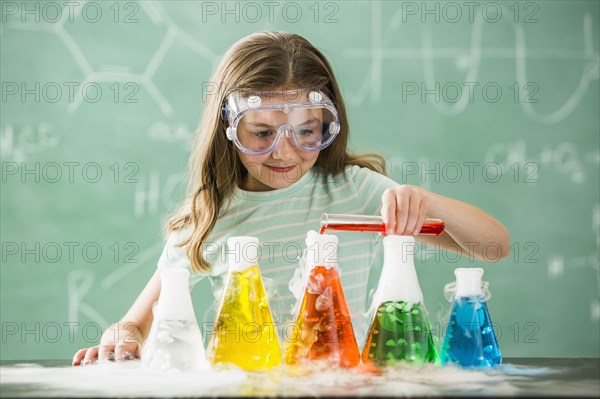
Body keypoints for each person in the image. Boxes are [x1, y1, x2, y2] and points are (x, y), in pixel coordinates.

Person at [72, 31, 509, 366]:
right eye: (261, 133)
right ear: (228, 129)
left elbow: (492, 246)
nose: (284, 151)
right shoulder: (212, 215)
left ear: (327, 123)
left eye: (306, 131)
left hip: (340, 384)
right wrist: (122, 334)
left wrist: (422, 201)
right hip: (249, 385)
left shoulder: (353, 189)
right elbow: (138, 320)